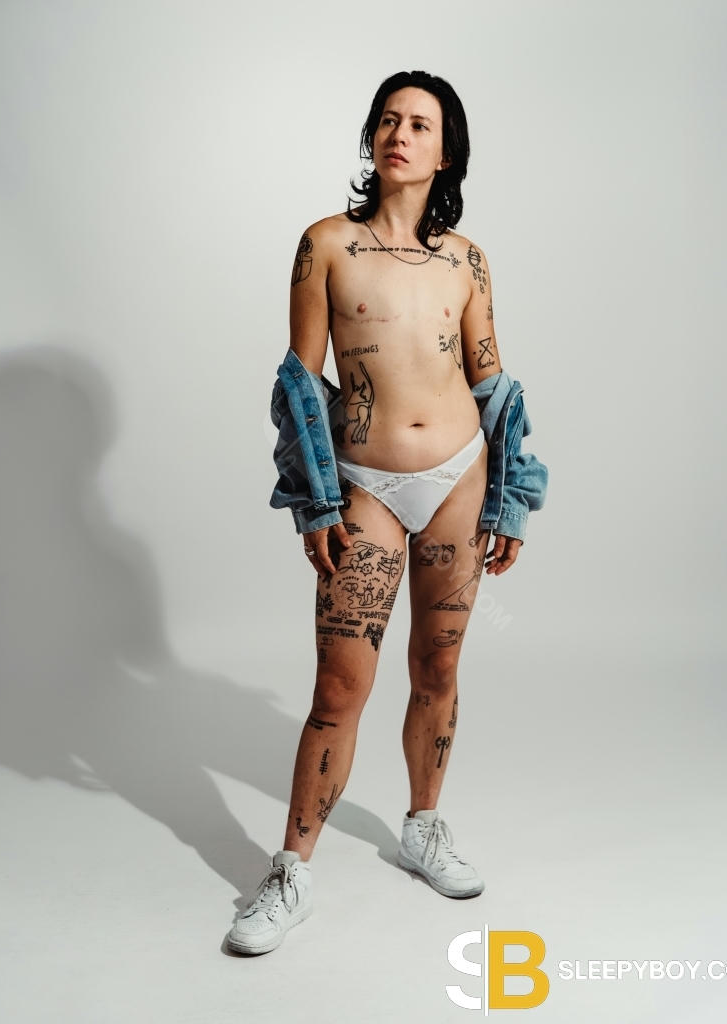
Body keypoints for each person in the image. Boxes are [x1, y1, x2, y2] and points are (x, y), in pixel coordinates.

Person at [227, 70, 547, 955]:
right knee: (340, 684)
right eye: (388, 120)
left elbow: (493, 384)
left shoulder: (466, 260)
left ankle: (422, 825)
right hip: (364, 483)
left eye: (419, 124)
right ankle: (290, 871)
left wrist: (512, 497)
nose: (399, 134)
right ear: (371, 137)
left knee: (436, 667)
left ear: (446, 152)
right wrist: (314, 502)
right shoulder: (326, 244)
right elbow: (300, 382)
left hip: (459, 481)